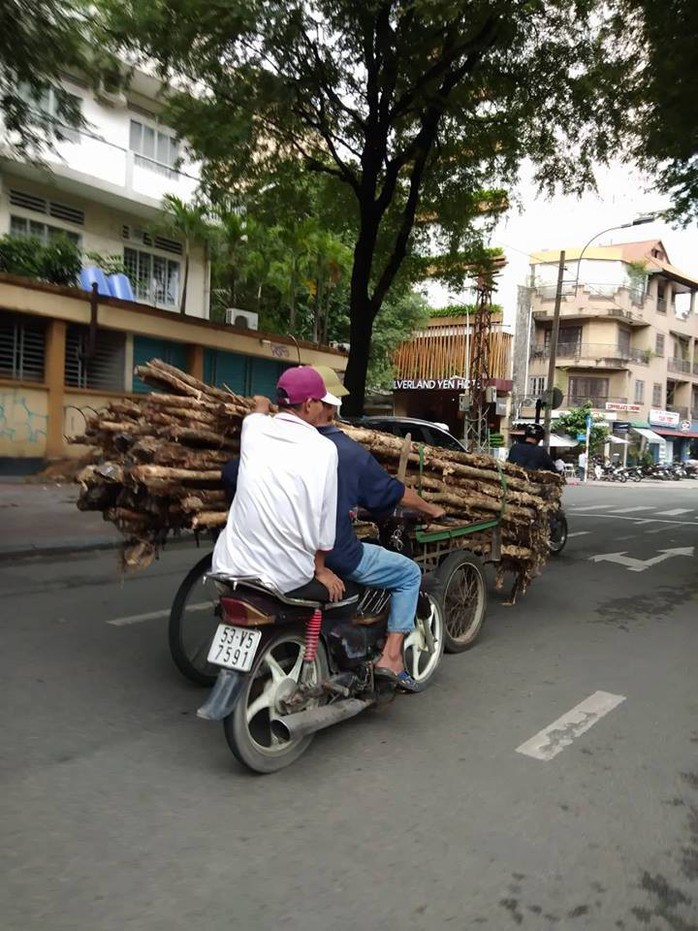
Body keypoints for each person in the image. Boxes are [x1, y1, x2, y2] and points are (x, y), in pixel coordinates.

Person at [311, 366, 446, 693]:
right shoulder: (344, 451)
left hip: (278, 547)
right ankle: (392, 656)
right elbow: (391, 491)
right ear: (327, 407)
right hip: (332, 552)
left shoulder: (276, 440)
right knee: (409, 573)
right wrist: (429, 507)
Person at [212, 367, 345, 601]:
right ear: (309, 404)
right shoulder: (325, 449)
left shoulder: (254, 428)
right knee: (340, 603)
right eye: (320, 402)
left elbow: (258, 411)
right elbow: (326, 523)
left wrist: (262, 404)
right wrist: (321, 569)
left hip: (229, 566)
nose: (323, 409)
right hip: (286, 576)